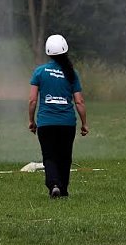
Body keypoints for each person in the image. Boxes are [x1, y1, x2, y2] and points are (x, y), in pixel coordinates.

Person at [28, 34, 89, 198]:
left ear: (48, 52)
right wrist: (84, 123)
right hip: (67, 123)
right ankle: (63, 190)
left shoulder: (39, 72)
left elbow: (33, 100)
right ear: (65, 51)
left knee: (49, 155)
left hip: (46, 123)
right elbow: (79, 102)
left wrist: (31, 121)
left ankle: (54, 184)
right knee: (65, 156)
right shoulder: (72, 73)